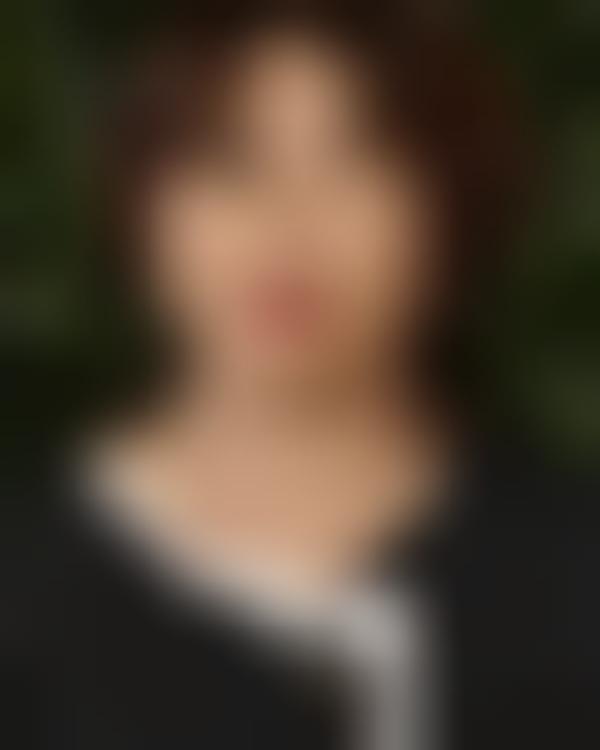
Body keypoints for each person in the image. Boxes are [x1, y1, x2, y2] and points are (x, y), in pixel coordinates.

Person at [4, 2, 598, 748]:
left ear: (450, 212)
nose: (287, 227)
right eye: (230, 165)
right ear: (141, 212)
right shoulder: (26, 588)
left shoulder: (570, 571)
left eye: (355, 164)